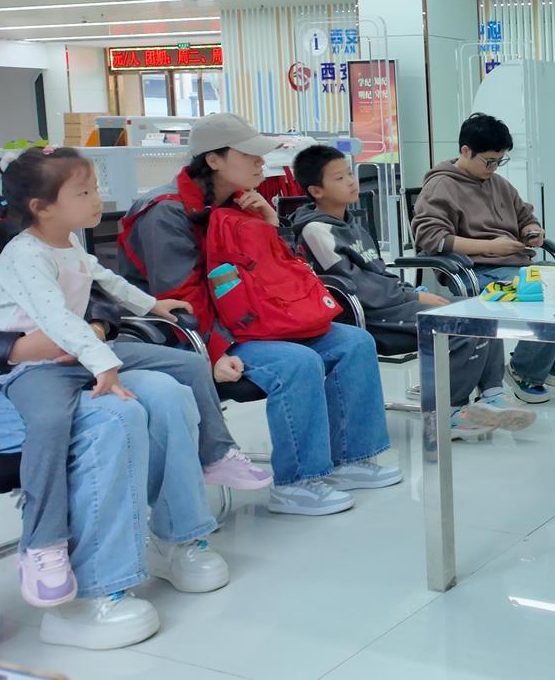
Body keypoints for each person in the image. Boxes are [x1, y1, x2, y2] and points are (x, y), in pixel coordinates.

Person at [0, 148, 268, 607]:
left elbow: (105, 281)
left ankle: (215, 457)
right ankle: (44, 542)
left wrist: (151, 305)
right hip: (36, 367)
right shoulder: (23, 255)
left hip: (81, 350)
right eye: (84, 193)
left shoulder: (66, 241)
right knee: (54, 424)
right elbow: (56, 319)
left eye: (94, 189)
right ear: (42, 207)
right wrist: (102, 362)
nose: (97, 199)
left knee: (185, 369)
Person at [119, 113, 399, 517]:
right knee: (297, 362)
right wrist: (216, 351)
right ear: (213, 159)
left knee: (354, 342)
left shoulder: (241, 202)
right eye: (249, 155)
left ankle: (353, 458)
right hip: (196, 333)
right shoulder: (166, 213)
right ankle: (298, 483)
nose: (260, 162)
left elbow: (279, 269)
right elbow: (181, 299)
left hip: (253, 318)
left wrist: (269, 223)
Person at [0, 255, 229, 649]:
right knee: (113, 417)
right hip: (10, 379)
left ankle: (175, 538)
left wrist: (95, 327)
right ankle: (85, 595)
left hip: (69, 359)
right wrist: (18, 348)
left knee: (168, 393)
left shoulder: (22, 237)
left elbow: (91, 290)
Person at [290, 144, 535, 439]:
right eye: (340, 178)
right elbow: (356, 287)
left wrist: (408, 291)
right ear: (316, 190)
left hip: (391, 304)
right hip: (370, 316)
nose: (352, 182)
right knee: (459, 326)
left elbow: (378, 273)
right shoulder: (317, 230)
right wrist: (413, 296)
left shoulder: (351, 223)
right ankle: (447, 413)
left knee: (480, 309)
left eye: (349, 174)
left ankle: (492, 392)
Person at [411, 113, 555, 403]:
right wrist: (490, 247)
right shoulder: (441, 186)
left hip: (514, 264)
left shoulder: (498, 184)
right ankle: (523, 371)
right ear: (465, 150)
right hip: (476, 270)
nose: (493, 168)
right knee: (548, 293)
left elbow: (525, 216)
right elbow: (432, 238)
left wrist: (531, 231)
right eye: (489, 161)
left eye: (499, 161)